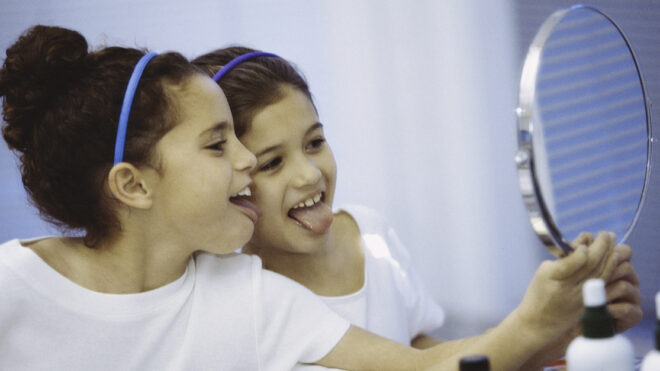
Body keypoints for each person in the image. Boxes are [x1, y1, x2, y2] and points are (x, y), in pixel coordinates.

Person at [0, 25, 458, 371]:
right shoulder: (11, 288)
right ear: (134, 185)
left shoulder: (245, 293)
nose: (247, 163)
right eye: (219, 145)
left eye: (315, 142)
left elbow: (418, 360)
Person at [192, 46, 643, 370]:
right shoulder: (239, 296)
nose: (309, 174)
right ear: (230, 181)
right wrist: (533, 325)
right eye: (272, 163)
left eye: (315, 142)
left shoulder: (370, 232)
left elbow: (423, 352)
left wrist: (566, 337)